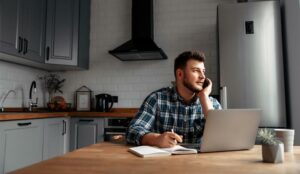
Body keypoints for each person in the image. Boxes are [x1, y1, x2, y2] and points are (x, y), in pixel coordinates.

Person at [126, 51, 222, 148]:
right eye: (196, 70)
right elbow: (133, 130)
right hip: (162, 161)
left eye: (203, 71)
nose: (203, 76)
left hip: (200, 162)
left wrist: (204, 96)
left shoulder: (211, 103)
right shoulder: (156, 99)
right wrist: (156, 139)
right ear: (180, 74)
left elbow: (223, 137)